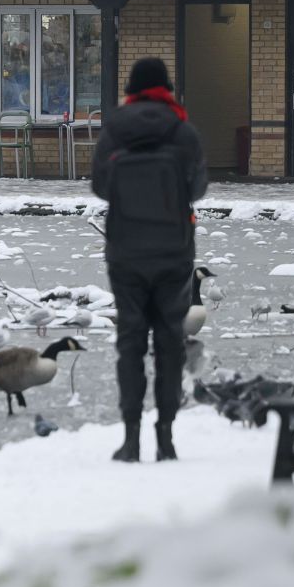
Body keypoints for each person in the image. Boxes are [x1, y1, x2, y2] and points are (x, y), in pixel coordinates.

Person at [90, 57, 208, 463]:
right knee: (170, 342)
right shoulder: (182, 130)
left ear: (132, 89)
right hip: (174, 251)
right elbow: (198, 187)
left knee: (130, 343)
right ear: (166, 88)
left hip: (126, 251)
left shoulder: (115, 130)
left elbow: (101, 187)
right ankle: (166, 437)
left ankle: (130, 438)